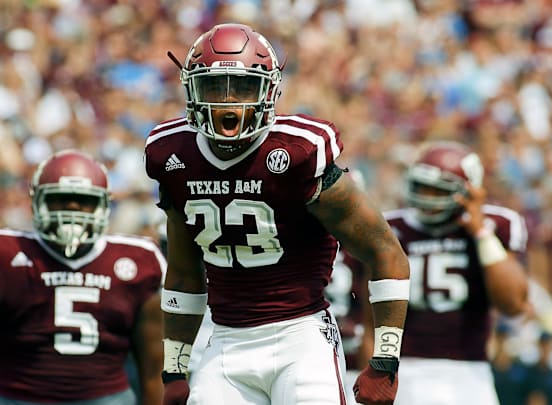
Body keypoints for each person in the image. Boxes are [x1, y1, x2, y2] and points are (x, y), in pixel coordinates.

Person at [144, 23, 410, 405]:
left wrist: (385, 360)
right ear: (191, 89)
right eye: (216, 87)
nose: (228, 103)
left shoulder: (298, 150)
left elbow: (386, 252)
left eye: (243, 87)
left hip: (300, 339)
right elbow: (185, 274)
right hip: (225, 342)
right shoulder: (172, 155)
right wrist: (175, 368)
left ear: (269, 90)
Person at [0, 150, 166, 405]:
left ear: (103, 206)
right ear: (37, 202)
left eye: (83, 201)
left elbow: (154, 372)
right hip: (21, 399)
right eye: (61, 199)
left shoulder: (137, 263)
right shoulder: (6, 257)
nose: (73, 209)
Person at [373, 140, 529, 405]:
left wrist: (480, 232)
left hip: (468, 369)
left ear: (469, 192)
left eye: (437, 190)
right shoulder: (391, 227)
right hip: (404, 366)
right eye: (422, 187)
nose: (427, 197)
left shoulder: (497, 224)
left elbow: (513, 304)